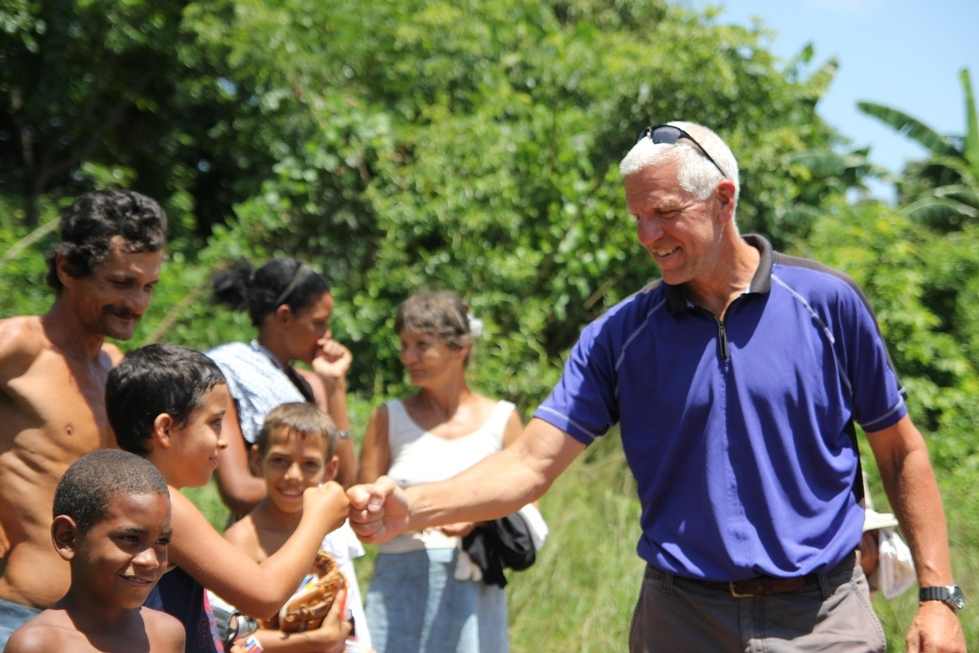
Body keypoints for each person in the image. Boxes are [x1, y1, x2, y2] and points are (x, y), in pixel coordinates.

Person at [349, 123, 967, 652]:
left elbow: (899, 449)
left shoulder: (826, 304)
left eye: (666, 212)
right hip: (680, 620)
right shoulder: (619, 336)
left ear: (724, 199)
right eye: (638, 217)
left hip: (824, 617)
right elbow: (530, 464)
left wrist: (938, 595)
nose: (648, 236)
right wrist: (414, 506)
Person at [0, 190, 166, 648]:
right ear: (68, 269)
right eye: (121, 282)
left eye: (148, 286)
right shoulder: (17, 348)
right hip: (16, 620)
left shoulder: (115, 367)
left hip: (110, 627)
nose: (137, 303)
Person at [106, 343, 350, 653]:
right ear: (165, 429)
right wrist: (317, 518)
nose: (223, 442)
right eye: (214, 423)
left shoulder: (124, 486)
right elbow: (264, 594)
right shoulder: (161, 502)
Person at [357, 291, 523, 653]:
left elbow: (530, 512)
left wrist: (476, 519)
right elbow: (363, 510)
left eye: (422, 345)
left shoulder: (502, 420)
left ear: (460, 348)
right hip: (399, 584)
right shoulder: (388, 418)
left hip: (473, 588)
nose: (408, 357)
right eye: (404, 345)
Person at [208, 258, 357, 517]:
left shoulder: (309, 384)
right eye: (319, 323)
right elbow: (239, 490)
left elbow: (343, 477)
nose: (327, 335)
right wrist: (316, 495)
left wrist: (335, 386)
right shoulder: (228, 372)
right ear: (285, 316)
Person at [221, 401, 372, 653]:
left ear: (330, 469)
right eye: (280, 460)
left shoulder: (335, 529)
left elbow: (350, 612)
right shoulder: (241, 541)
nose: (293, 475)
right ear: (257, 460)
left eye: (309, 464)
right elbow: (230, 636)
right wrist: (314, 642)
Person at [5, 449, 184, 652]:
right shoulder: (40, 645)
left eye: (162, 541)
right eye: (130, 538)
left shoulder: (167, 635)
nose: (150, 560)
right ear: (67, 537)